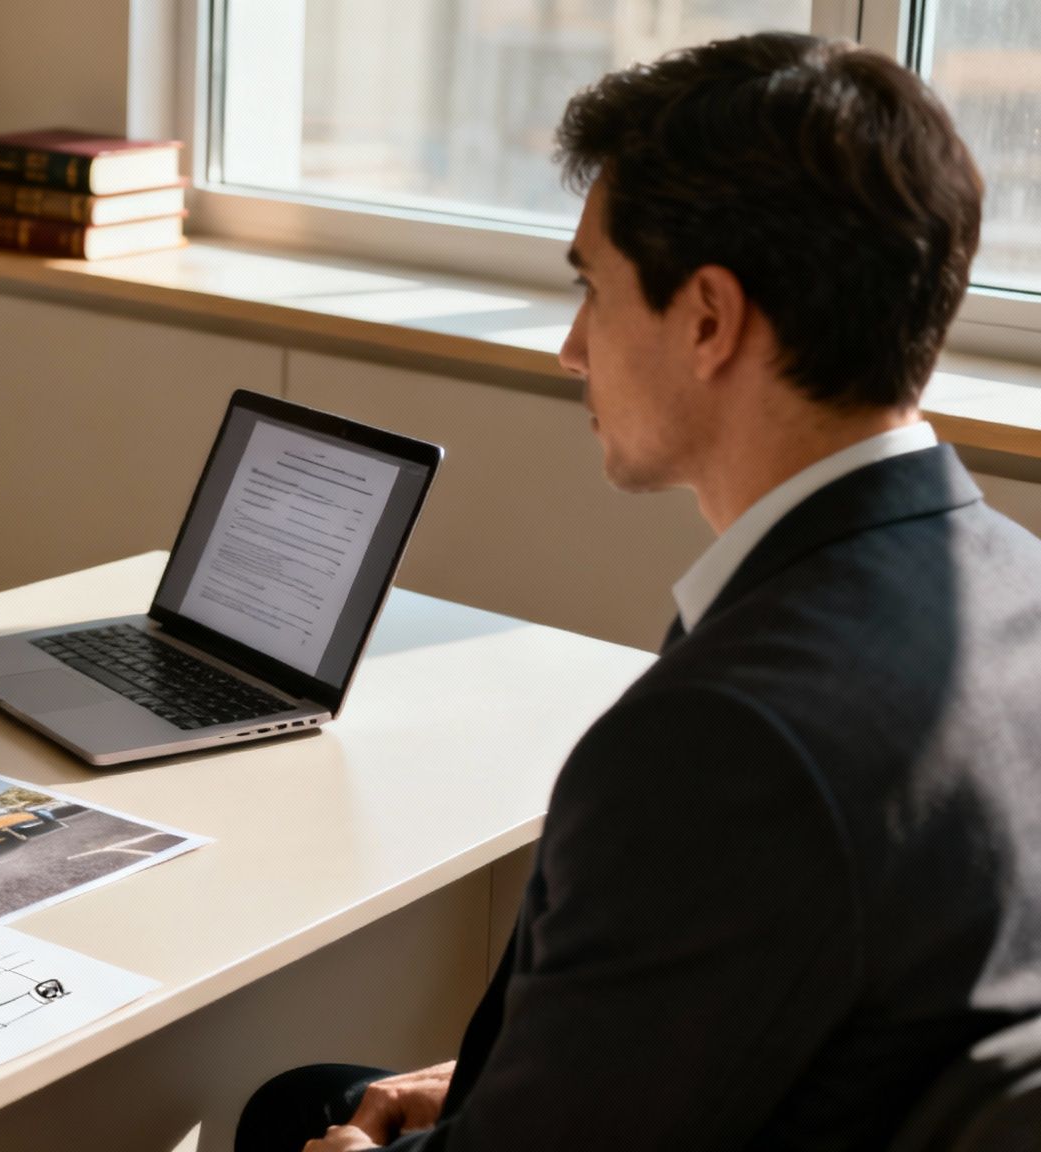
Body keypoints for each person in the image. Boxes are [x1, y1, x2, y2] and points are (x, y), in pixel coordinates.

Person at [238, 32, 1041, 1152]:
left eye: (592, 288)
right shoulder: (1010, 581)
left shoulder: (724, 743)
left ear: (707, 318)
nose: (571, 348)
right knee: (307, 1093)